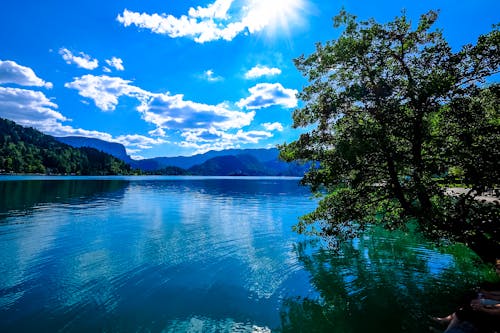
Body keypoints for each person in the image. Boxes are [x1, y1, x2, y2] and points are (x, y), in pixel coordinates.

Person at [432, 259, 500, 333]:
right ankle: (447, 322)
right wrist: (488, 296)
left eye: (498, 268)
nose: (496, 271)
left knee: (467, 310)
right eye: (496, 268)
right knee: (469, 300)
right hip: (495, 305)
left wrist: (483, 308)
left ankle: (447, 325)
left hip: (495, 313)